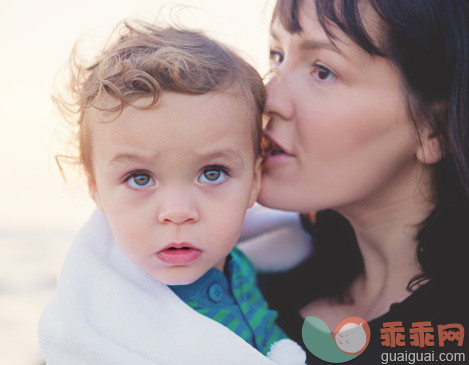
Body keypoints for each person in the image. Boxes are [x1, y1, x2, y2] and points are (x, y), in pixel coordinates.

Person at [38, 20, 306, 365]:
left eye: (212, 173)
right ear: (96, 190)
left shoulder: (239, 266)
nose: (178, 211)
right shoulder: (111, 324)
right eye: (139, 178)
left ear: (254, 180)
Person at [243, 0, 469, 363]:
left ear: (435, 129)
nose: (268, 99)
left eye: (323, 70)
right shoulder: (247, 291)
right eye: (277, 56)